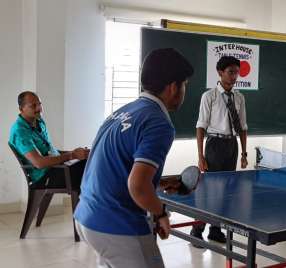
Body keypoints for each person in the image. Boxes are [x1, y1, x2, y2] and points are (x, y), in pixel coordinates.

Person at [74, 48, 194, 268]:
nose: (184, 90)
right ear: (173, 87)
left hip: (86, 216)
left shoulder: (121, 112)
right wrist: (160, 213)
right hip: (117, 224)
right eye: (184, 84)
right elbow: (137, 185)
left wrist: (159, 184)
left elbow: (115, 167)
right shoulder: (159, 123)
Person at [191, 56, 249, 244]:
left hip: (232, 145)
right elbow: (200, 126)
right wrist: (201, 156)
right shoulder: (209, 96)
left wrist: (243, 153)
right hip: (214, 145)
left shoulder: (239, 97)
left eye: (236, 72)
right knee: (209, 191)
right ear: (220, 72)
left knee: (227, 191)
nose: (234, 76)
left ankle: (215, 230)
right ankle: (197, 230)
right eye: (230, 72)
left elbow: (242, 127)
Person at [9, 91, 89, 189]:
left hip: (57, 169)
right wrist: (72, 155)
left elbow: (50, 152)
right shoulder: (19, 131)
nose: (39, 109)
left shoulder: (39, 121)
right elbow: (39, 163)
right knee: (90, 171)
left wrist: (77, 153)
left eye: (39, 104)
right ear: (21, 109)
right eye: (33, 106)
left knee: (90, 161)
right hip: (44, 177)